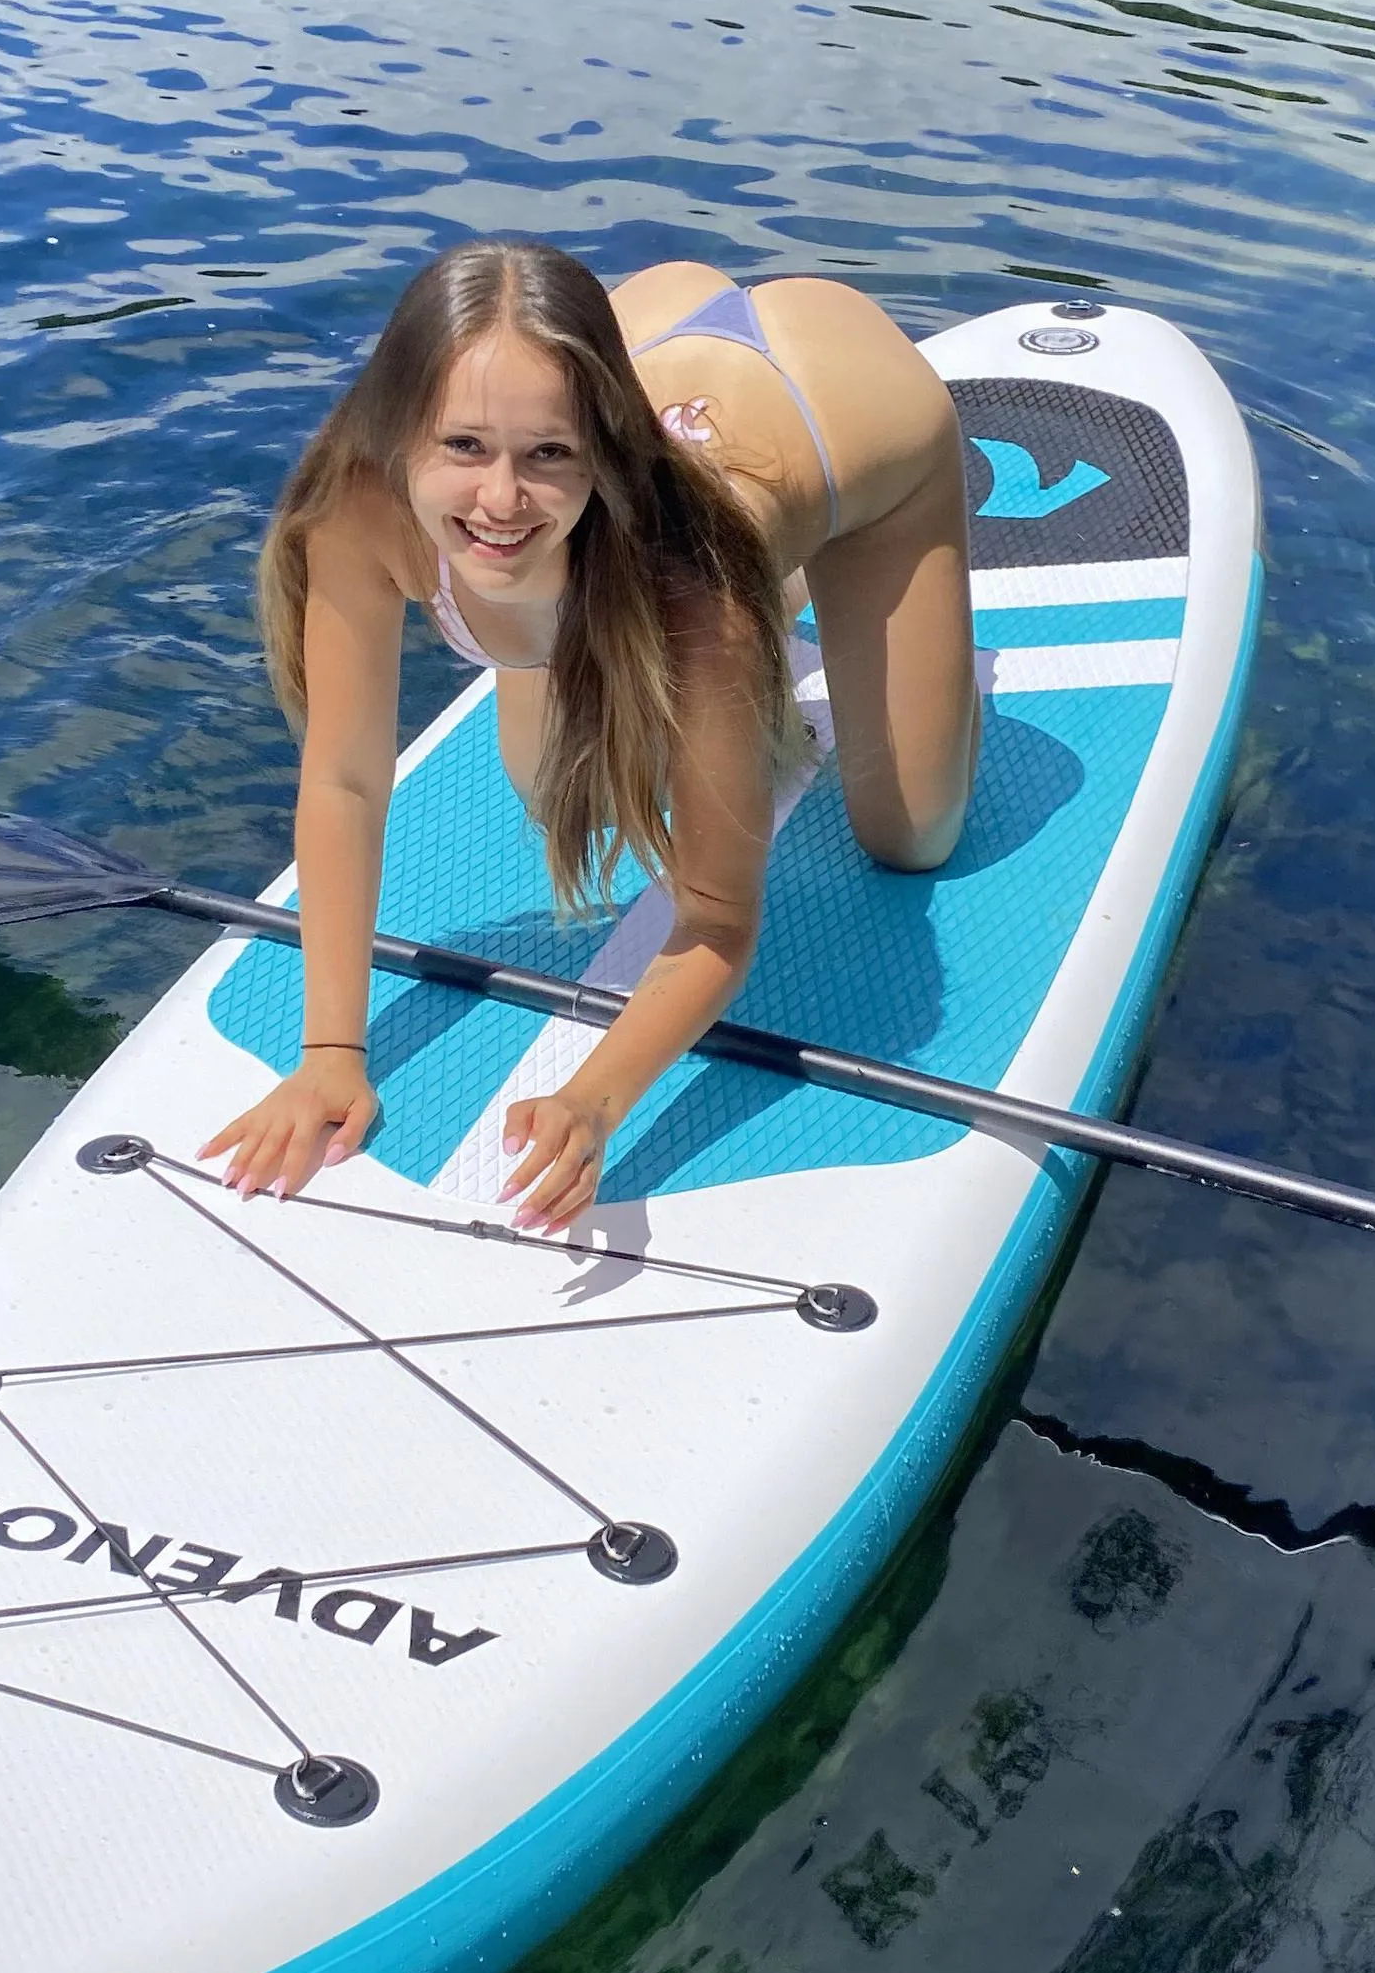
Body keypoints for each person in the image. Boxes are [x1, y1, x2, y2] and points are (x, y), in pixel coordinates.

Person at [204, 240, 980, 1231]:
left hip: (844, 405)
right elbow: (347, 781)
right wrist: (328, 1059)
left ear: (600, 450)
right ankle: (722, 578)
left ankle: (791, 565)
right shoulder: (354, 510)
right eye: (462, 448)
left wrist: (593, 1098)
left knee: (908, 837)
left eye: (545, 457)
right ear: (397, 435)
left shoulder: (690, 591)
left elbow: (717, 923)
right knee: (541, 787)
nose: (495, 500)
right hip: (648, 328)